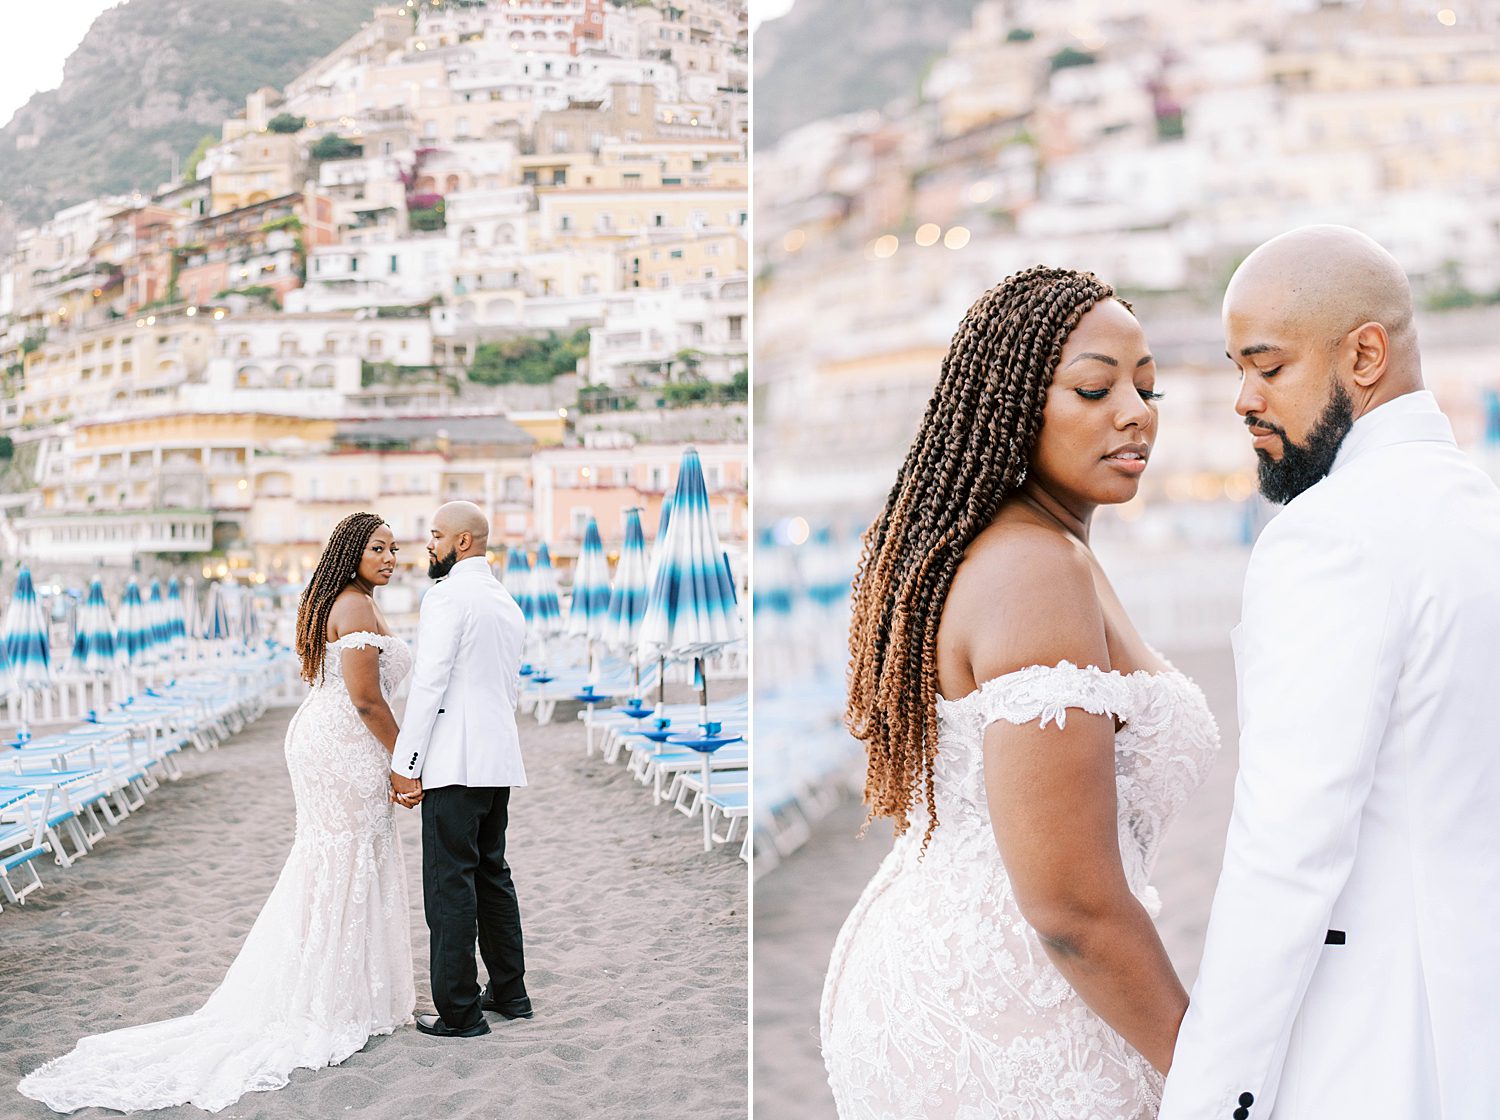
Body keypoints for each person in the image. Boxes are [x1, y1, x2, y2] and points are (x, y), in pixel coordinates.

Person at [820, 266, 1220, 1119]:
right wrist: (1220, 1084)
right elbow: (1072, 904)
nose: (1136, 411)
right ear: (1009, 405)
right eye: (1094, 387)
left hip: (943, 967)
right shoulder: (1034, 571)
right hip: (1011, 1011)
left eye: (1148, 387)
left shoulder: (1019, 549)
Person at [1160, 227, 1500, 1119]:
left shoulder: (1328, 540)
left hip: (1373, 1055)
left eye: (1267, 367)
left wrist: (1209, 1101)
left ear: (1365, 354)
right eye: (1237, 368)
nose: (1242, 399)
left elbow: (1286, 853)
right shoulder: (1480, 518)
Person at [19, 511, 416, 1113]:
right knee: (347, 857)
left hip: (326, 739)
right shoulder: (355, 607)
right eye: (378, 548)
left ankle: (341, 989)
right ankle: (336, 998)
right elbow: (365, 699)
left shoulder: (339, 598)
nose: (390, 558)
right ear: (350, 552)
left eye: (394, 548)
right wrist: (404, 761)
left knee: (335, 860)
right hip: (344, 744)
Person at [392, 500, 530, 1038]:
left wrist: (406, 763)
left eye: (434, 534)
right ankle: (510, 993)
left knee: (450, 884)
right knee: (492, 875)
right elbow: (508, 689)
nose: (428, 543)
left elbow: (430, 683)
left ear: (462, 542)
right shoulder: (506, 602)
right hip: (498, 759)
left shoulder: (447, 596)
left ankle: (459, 1011)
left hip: (455, 762)